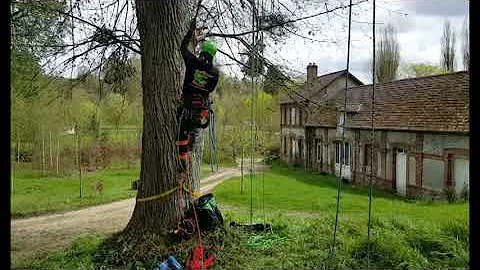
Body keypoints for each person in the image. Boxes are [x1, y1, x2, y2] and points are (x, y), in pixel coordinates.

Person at [177, 19, 219, 171]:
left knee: (181, 133)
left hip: (186, 105)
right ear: (213, 54)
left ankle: (182, 160)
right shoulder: (215, 73)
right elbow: (210, 89)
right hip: (198, 108)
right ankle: (186, 159)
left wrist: (189, 34)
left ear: (202, 50)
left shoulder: (192, 61)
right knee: (192, 135)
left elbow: (182, 48)